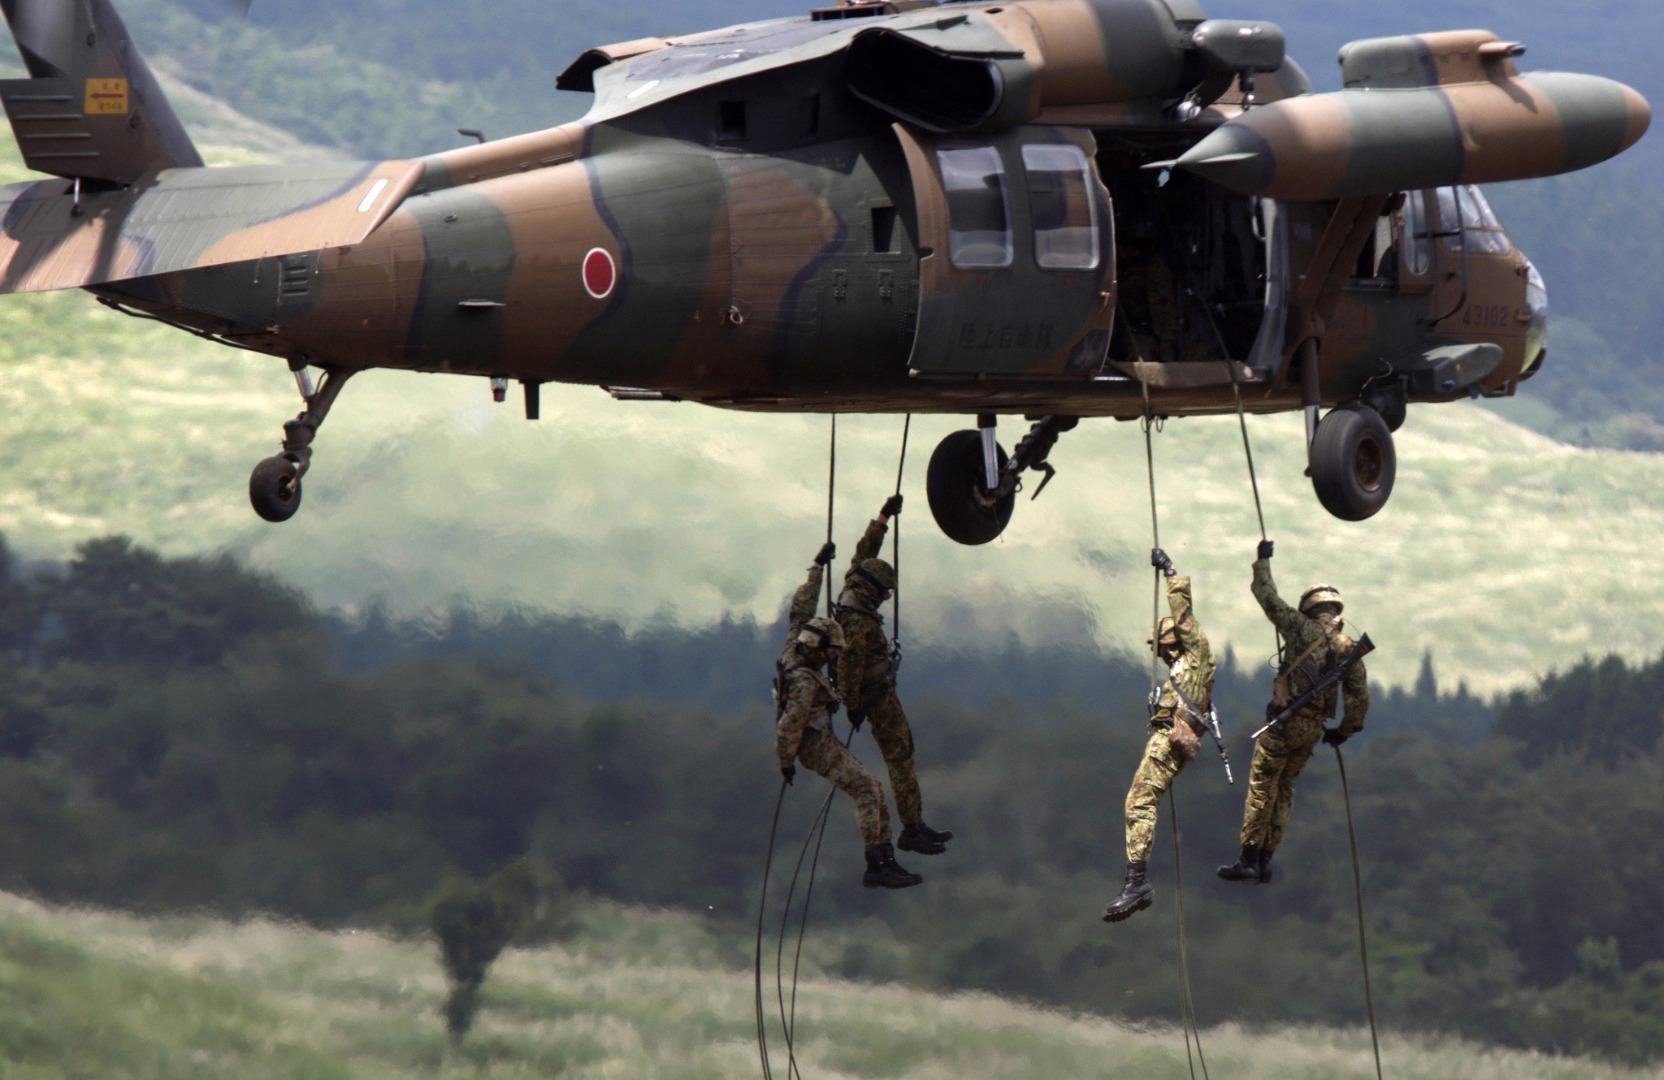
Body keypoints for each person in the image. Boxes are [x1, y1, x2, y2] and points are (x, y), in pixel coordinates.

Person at [1218, 539, 1370, 884]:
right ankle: (1266, 861)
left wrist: (1262, 561)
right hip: (1312, 731)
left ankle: (1248, 859)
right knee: (1285, 788)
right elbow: (1358, 698)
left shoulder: (1301, 629)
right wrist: (1343, 732)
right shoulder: (1348, 648)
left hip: (1284, 724)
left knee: (1263, 786)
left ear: (1309, 609)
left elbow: (1267, 597)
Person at [776, 540, 920, 890]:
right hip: (814, 745)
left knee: (873, 788)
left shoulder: (795, 645)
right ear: (818, 648)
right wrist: (786, 762)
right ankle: (876, 863)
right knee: (868, 790)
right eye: (830, 653)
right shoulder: (804, 684)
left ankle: (884, 859)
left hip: (820, 738)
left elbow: (801, 608)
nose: (831, 660)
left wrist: (817, 568)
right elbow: (788, 727)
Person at [835, 494, 954, 857]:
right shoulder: (857, 624)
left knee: (903, 752)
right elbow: (849, 667)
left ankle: (915, 824)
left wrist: (883, 518)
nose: (885, 599)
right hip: (875, 695)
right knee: (900, 755)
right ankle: (912, 828)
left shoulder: (854, 584)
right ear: (869, 590)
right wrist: (853, 705)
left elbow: (865, 552)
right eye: (883, 594)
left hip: (875, 691)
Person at [1103, 548, 1217, 923]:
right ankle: (1136, 882)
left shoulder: (1197, 657)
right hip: (1168, 740)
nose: (1161, 655)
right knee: (1139, 801)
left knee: (1138, 803)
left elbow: (1184, 618)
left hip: (1171, 742)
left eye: (1163, 648)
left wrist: (1170, 572)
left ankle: (1137, 883)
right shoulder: (1180, 672)